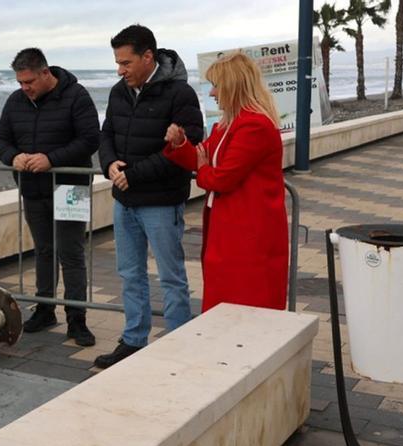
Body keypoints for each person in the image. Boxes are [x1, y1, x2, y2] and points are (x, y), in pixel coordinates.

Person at [94, 24, 204, 369]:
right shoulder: (118, 92)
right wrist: (110, 164)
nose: (120, 70)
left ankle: (179, 344)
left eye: (125, 62)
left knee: (171, 276)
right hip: (125, 201)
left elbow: (189, 143)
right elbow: (106, 133)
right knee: (130, 273)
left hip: (161, 201)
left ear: (147, 57)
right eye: (117, 62)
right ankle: (133, 340)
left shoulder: (179, 94)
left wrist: (133, 175)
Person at [162, 52, 288, 314]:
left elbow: (221, 178)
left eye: (216, 85)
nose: (212, 93)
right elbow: (202, 158)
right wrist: (181, 145)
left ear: (232, 87)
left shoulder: (254, 126)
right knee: (227, 299)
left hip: (248, 231)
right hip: (231, 226)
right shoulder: (229, 125)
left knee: (245, 302)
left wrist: (203, 167)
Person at [0, 47, 100, 346]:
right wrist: (13, 156)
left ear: (45, 73)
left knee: (71, 253)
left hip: (71, 188)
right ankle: (45, 309)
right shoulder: (16, 101)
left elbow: (91, 138)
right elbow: (1, 139)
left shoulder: (76, 95)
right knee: (43, 250)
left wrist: (50, 158)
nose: (24, 88)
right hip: (33, 189)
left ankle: (77, 320)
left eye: (29, 82)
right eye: (20, 83)